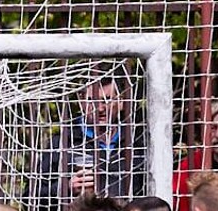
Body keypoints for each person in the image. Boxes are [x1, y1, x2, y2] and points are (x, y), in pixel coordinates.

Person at [41, 75, 145, 203]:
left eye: (107, 100)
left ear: (121, 101)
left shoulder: (137, 143)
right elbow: (31, 196)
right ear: (81, 102)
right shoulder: (62, 142)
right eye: (91, 101)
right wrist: (65, 188)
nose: (100, 108)